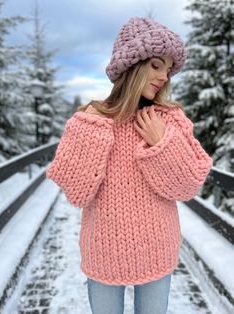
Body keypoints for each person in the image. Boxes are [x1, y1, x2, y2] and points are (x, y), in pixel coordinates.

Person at [46, 16, 213, 314]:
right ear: (132, 67)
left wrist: (161, 142)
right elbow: (75, 193)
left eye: (168, 69)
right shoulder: (91, 118)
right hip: (103, 253)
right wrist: (93, 132)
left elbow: (189, 186)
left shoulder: (169, 118)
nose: (164, 76)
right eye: (155, 65)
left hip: (157, 251)